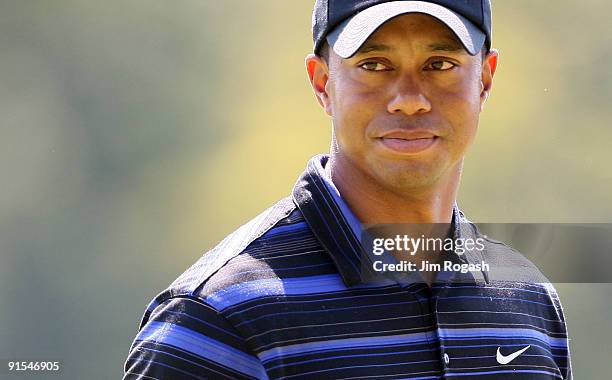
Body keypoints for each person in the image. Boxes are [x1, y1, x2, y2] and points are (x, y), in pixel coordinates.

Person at [123, 1, 572, 379]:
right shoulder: (220, 316)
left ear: (485, 80)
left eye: (440, 64)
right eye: (374, 65)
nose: (409, 98)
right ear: (323, 84)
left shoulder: (528, 299)